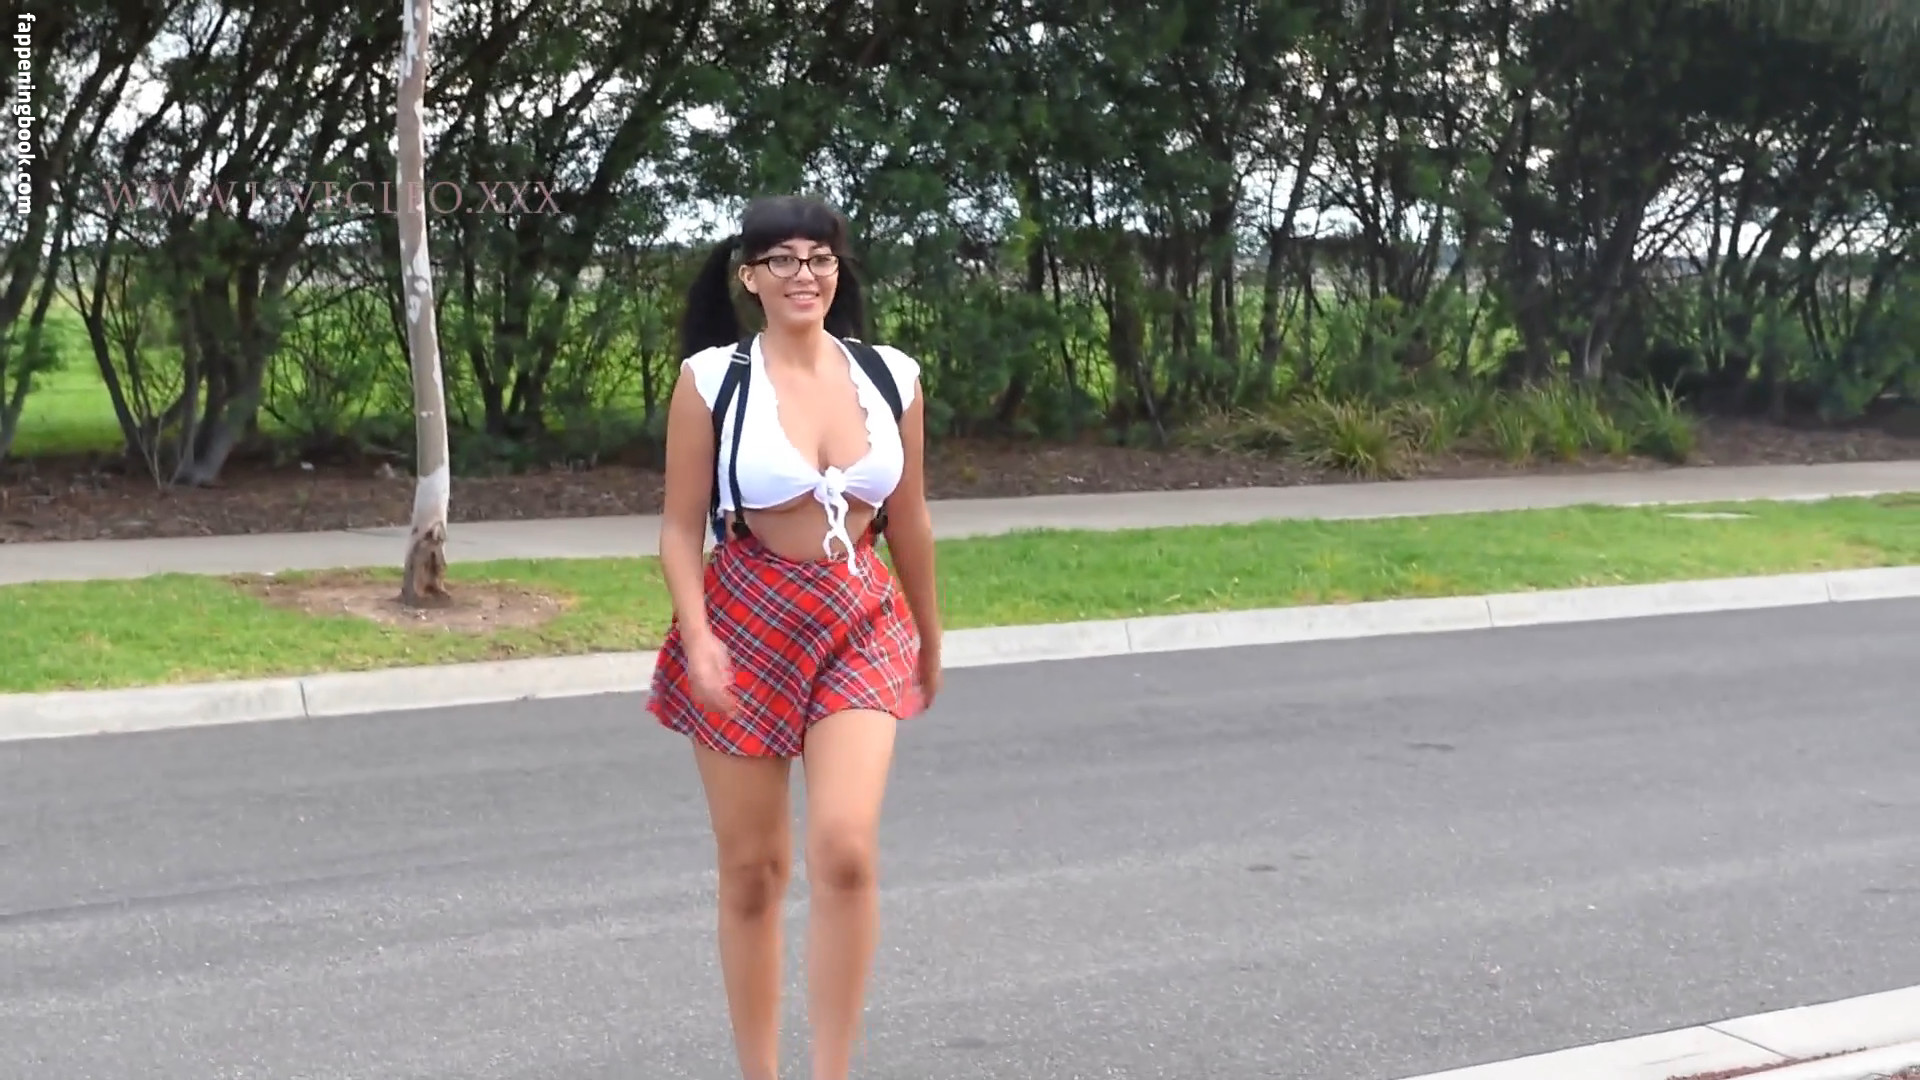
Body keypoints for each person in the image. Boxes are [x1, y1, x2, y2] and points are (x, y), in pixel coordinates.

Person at [648, 193, 942, 1080]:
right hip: (745, 616)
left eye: (819, 257)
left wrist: (930, 635)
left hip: (861, 617)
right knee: (754, 871)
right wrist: (698, 636)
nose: (803, 274)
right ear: (750, 277)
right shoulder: (712, 380)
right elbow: (678, 528)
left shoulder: (891, 376)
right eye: (782, 259)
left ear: (838, 271)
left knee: (844, 851)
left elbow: (911, 520)